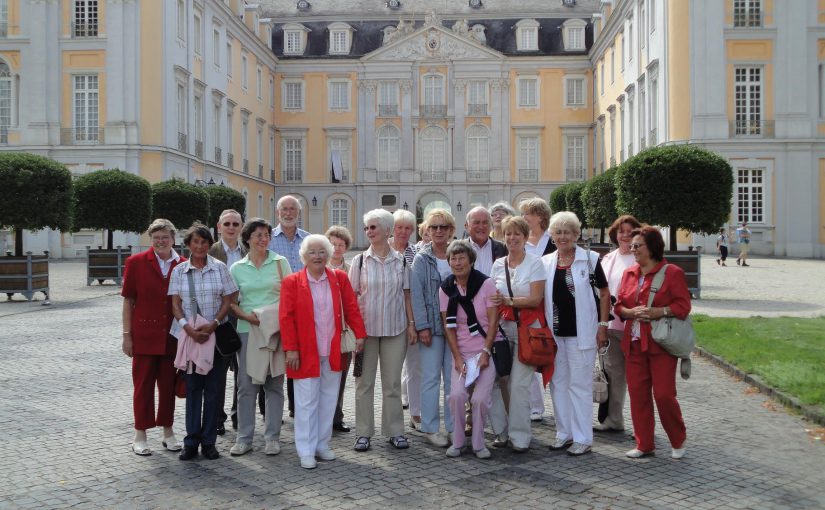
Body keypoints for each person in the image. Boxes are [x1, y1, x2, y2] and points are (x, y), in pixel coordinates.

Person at [280, 235, 367, 469]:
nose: (317, 256)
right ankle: (305, 450)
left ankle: (321, 444)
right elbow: (286, 319)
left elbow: (351, 307)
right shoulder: (292, 281)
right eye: (312, 252)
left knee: (329, 398)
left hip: (333, 350)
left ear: (328, 255)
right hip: (305, 351)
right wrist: (291, 349)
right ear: (304, 257)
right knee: (306, 401)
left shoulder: (339, 278)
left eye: (321, 252)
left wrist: (359, 334)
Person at [615, 225, 691, 459]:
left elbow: (683, 306)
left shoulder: (672, 273)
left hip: (660, 345)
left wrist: (661, 311)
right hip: (634, 344)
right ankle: (644, 444)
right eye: (632, 246)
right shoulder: (629, 273)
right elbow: (619, 306)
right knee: (638, 395)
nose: (632, 249)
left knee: (664, 395)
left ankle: (678, 440)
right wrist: (629, 312)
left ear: (653, 247)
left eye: (637, 245)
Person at [542, 211, 610, 456]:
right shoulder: (546, 261)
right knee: (558, 384)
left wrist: (603, 326)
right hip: (555, 334)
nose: (562, 236)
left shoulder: (590, 259)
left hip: (582, 333)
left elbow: (604, 293)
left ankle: (583, 437)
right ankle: (564, 433)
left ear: (576, 234)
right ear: (552, 235)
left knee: (579, 386)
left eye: (567, 232)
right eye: (558, 232)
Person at [169, 223, 238, 460]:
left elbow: (229, 299)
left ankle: (209, 441)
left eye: (204, 242)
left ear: (210, 245)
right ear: (188, 245)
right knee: (193, 389)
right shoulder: (179, 271)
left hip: (214, 337)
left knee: (213, 390)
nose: (199, 246)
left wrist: (214, 324)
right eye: (195, 242)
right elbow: (175, 304)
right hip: (190, 338)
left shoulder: (220, 268)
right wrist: (187, 328)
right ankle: (191, 441)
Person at [349, 209, 416, 452]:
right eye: (367, 228)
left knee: (392, 384)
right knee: (363, 384)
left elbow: (407, 295)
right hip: (365, 334)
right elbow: (351, 298)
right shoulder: (358, 261)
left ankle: (395, 431)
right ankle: (363, 433)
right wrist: (355, 333)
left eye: (374, 227)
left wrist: (411, 325)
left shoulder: (402, 261)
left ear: (387, 230)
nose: (369, 232)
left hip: (395, 330)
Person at [122, 219, 185, 456]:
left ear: (173, 239)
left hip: (172, 337)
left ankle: (168, 431)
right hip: (144, 336)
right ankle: (140, 433)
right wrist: (127, 335)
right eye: (156, 237)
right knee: (143, 387)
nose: (161, 241)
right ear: (151, 239)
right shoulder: (136, 263)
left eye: (165, 237)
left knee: (168, 387)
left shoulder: (183, 264)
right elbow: (129, 301)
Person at [229, 218, 292, 456]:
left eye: (266, 234)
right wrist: (247, 317)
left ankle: (272, 438)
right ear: (247, 239)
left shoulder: (280, 262)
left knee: (274, 385)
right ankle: (244, 438)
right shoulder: (237, 268)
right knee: (246, 386)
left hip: (275, 332)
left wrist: (274, 320)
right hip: (248, 332)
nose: (263, 239)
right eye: (258, 235)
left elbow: (289, 297)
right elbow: (231, 303)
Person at [489, 216, 547, 452]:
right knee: (496, 381)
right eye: (508, 234)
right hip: (502, 329)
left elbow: (535, 298)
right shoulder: (497, 264)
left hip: (526, 330)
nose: (512, 238)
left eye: (517, 234)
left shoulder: (535, 263)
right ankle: (501, 431)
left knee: (520, 385)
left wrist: (508, 300)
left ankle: (520, 436)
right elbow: (491, 299)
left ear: (525, 237)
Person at [440, 240, 501, 459]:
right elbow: (448, 326)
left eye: (462, 258)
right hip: (462, 354)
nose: (457, 263)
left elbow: (493, 323)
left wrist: (485, 352)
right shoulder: (446, 288)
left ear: (471, 260)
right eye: (453, 259)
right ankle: (457, 442)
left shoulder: (486, 285)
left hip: (485, 352)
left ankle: (478, 444)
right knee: (456, 396)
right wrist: (457, 357)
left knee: (480, 400)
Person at [410, 208, 456, 447]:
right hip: (431, 328)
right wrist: (422, 326)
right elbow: (416, 296)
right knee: (430, 378)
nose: (439, 231)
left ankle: (452, 426)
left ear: (451, 231)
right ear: (427, 230)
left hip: (456, 328)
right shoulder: (421, 258)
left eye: (444, 227)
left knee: (453, 378)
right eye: (434, 227)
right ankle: (430, 427)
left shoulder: (458, 254)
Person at [463, 206, 509, 445]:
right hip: (468, 320)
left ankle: (502, 425)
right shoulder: (459, 249)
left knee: (499, 373)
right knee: (470, 371)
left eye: (484, 222)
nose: (480, 226)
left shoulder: (502, 249)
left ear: (491, 225)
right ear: (466, 226)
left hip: (496, 317)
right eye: (476, 222)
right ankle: (470, 417)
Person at [596, 214, 642, 433]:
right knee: (614, 374)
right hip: (610, 324)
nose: (625, 235)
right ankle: (614, 419)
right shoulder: (608, 259)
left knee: (637, 377)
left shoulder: (640, 257)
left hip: (634, 326)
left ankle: (642, 426)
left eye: (630, 231)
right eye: (621, 231)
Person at [269, 195, 310, 418]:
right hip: (275, 308)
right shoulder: (268, 239)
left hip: (303, 310)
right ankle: (269, 413)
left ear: (299, 213)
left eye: (292, 209)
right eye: (284, 209)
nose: (288, 213)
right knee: (273, 362)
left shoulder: (309, 240)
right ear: (278, 213)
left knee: (298, 361)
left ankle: (297, 409)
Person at [208, 209, 247, 435]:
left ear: (241, 227)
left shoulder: (248, 250)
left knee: (242, 370)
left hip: (241, 314)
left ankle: (237, 415)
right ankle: (218, 417)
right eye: (227, 224)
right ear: (219, 226)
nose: (231, 228)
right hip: (220, 317)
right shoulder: (210, 251)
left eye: (235, 224)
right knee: (219, 370)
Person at [392, 209, 421, 431]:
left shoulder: (416, 254)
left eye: (408, 228)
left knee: (413, 368)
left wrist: (414, 322)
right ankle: (391, 421)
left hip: (411, 318)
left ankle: (415, 414)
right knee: (391, 372)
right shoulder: (381, 251)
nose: (403, 232)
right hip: (388, 318)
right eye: (399, 227)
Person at [325, 225, 355, 433]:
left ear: (346, 247)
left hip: (344, 329)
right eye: (333, 244)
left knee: (341, 374)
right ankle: (323, 416)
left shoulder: (352, 268)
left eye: (340, 244)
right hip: (323, 328)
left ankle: (337, 415)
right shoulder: (318, 266)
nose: (336, 248)